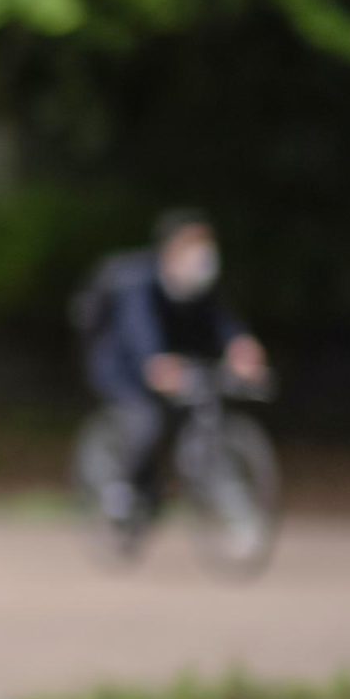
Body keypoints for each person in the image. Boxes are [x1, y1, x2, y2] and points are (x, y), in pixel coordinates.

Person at [78, 210, 269, 536]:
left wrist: (241, 347)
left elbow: (222, 323)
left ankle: (222, 498)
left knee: (200, 413)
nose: (203, 254)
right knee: (144, 421)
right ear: (169, 249)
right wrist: (155, 361)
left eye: (205, 243)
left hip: (175, 365)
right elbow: (138, 329)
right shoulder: (137, 283)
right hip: (121, 367)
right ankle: (119, 491)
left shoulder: (200, 289)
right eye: (192, 244)